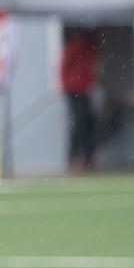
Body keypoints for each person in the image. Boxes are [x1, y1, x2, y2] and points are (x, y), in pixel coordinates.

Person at [59, 28, 99, 174]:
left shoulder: (89, 47)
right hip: (74, 89)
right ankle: (74, 158)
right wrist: (66, 85)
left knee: (89, 123)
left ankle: (88, 158)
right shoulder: (76, 45)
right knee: (79, 123)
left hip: (85, 89)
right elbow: (64, 67)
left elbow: (89, 70)